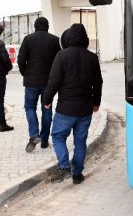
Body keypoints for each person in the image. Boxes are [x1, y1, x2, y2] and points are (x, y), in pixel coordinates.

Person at [43, 23, 103, 184]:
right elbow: (98, 83)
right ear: (85, 38)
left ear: (68, 38)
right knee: (80, 142)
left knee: (57, 136)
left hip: (65, 109)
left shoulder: (62, 56)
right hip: (85, 109)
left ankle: (64, 167)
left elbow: (54, 81)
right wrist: (96, 103)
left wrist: (46, 100)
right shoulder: (92, 57)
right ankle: (77, 174)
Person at [17, 16, 61, 152]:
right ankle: (44, 140)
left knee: (30, 108)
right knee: (46, 108)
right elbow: (59, 61)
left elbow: (20, 59)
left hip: (31, 82)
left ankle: (34, 134)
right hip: (48, 82)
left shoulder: (28, 39)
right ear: (47, 26)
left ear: (35, 26)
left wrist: (25, 73)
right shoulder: (54, 40)